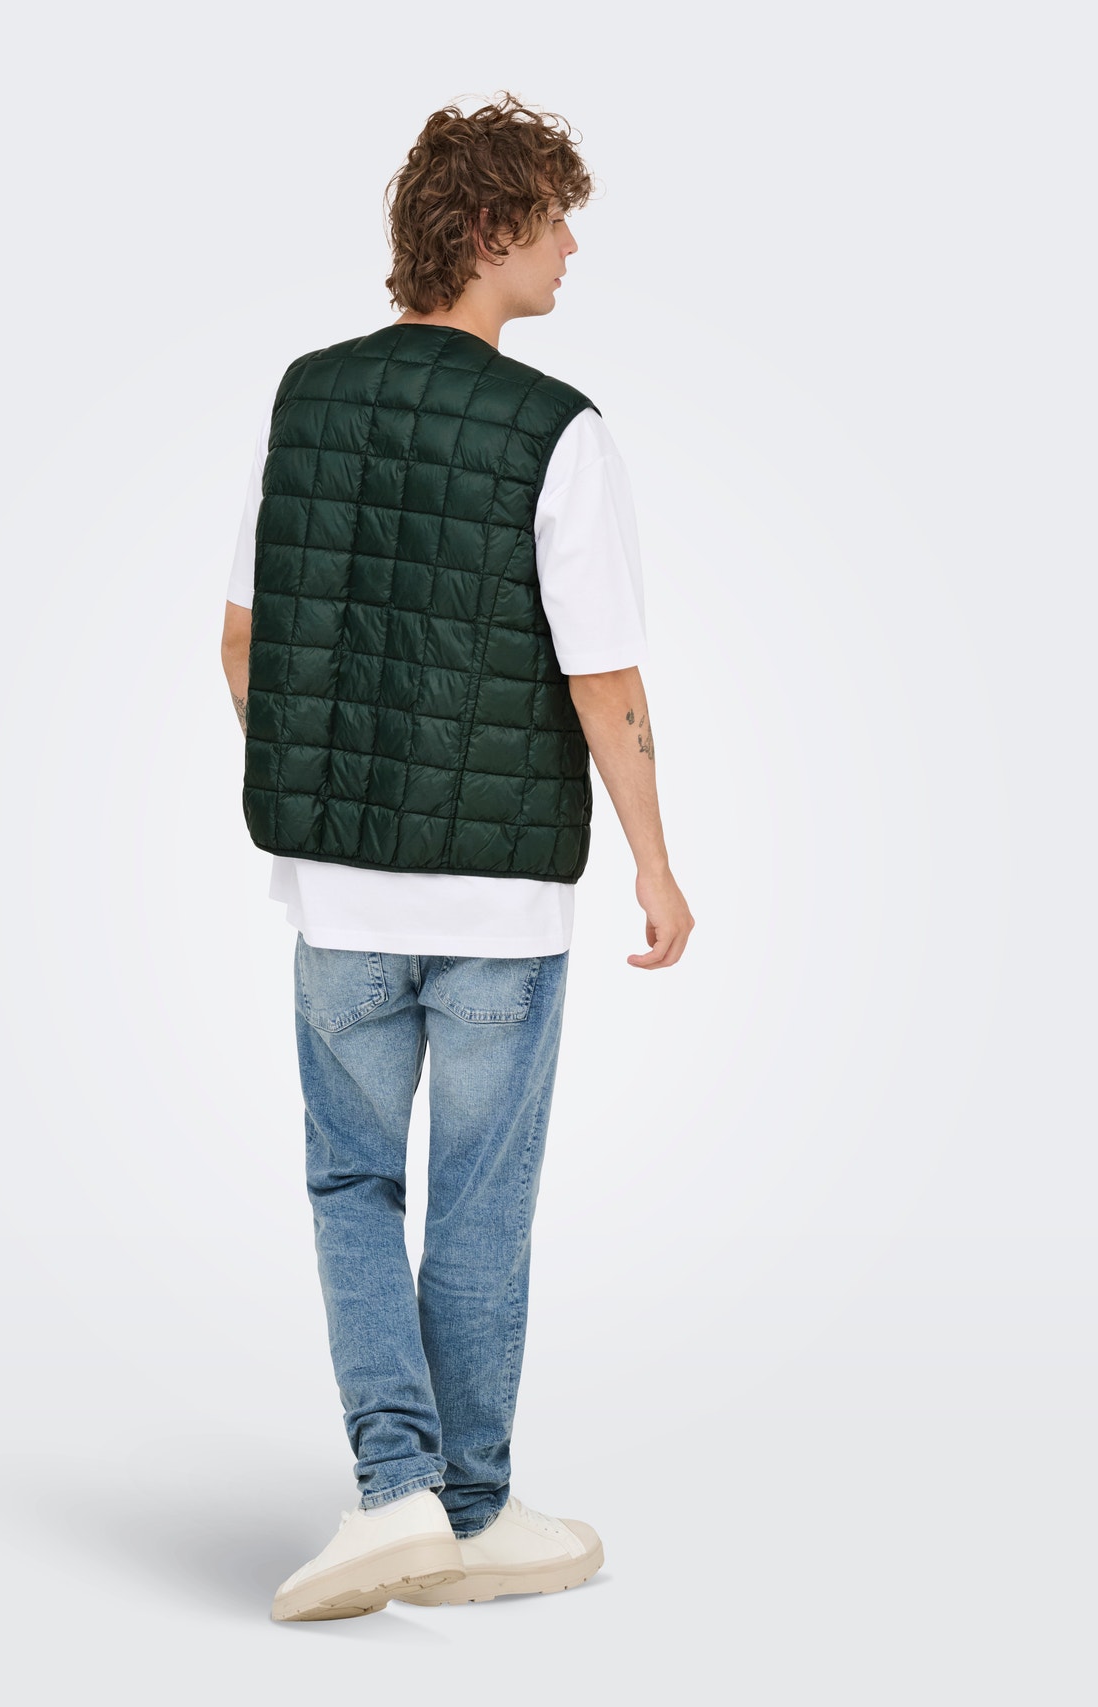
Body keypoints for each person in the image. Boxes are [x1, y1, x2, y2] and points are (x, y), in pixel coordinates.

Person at [220, 93, 694, 1623]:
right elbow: (602, 679)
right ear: (489, 230)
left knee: (352, 1182)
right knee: (481, 1200)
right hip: (501, 905)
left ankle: (396, 1496)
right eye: (555, 221)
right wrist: (657, 866)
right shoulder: (558, 430)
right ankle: (466, 1510)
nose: (570, 251)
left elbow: (242, 643)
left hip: (337, 893)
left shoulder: (305, 399)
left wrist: (332, 787)